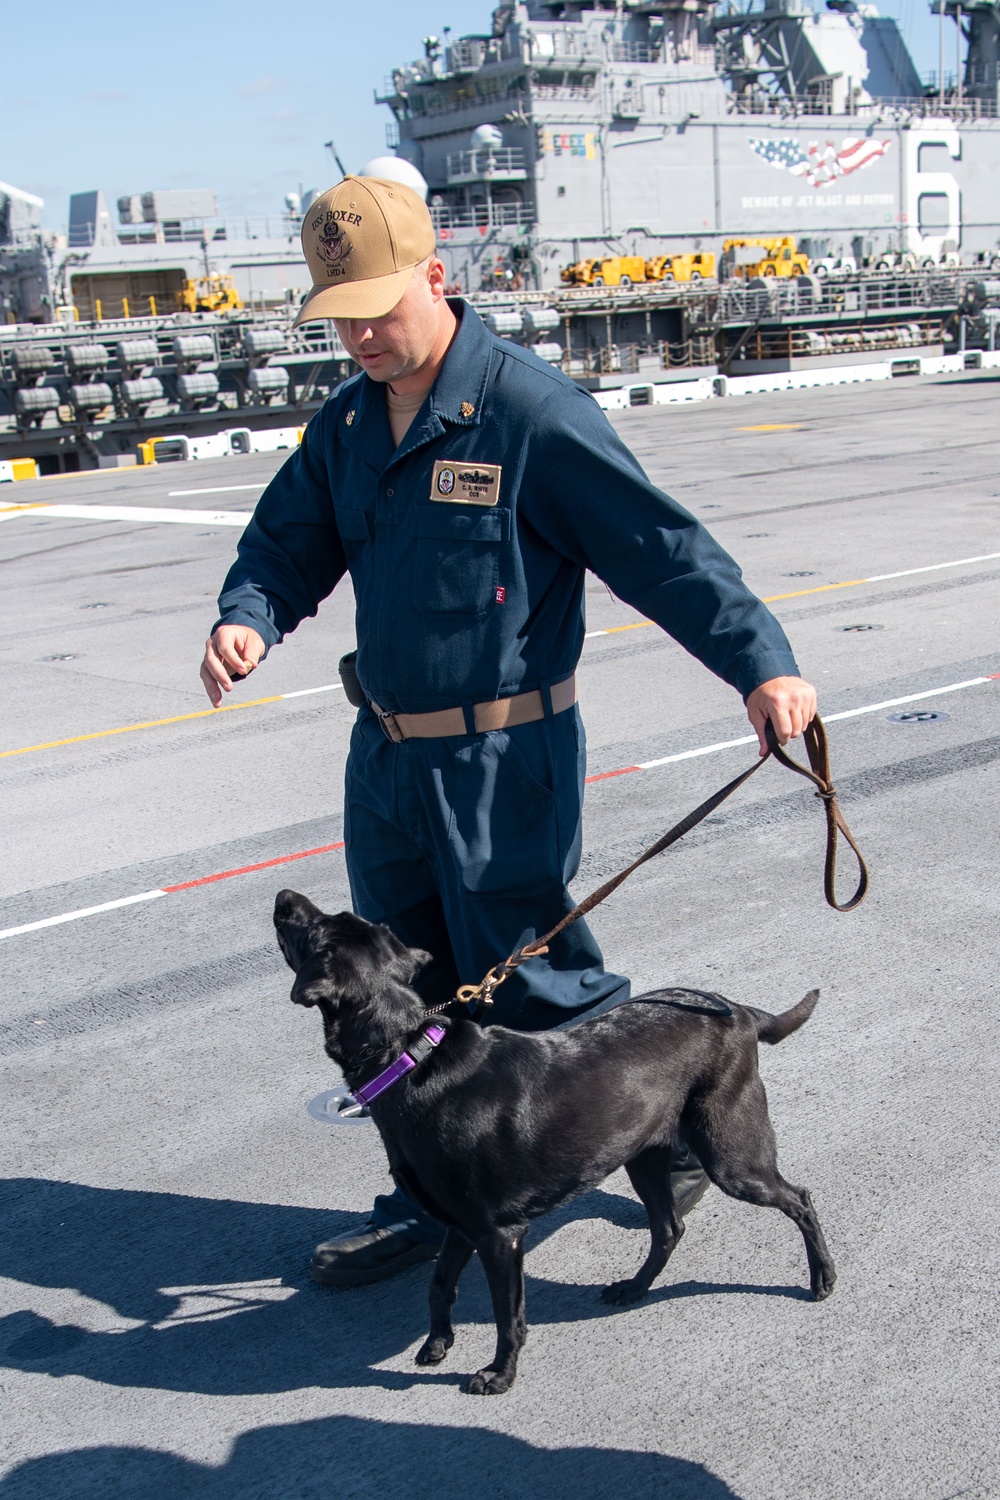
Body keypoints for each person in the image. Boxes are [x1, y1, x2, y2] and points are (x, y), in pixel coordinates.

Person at [200, 176, 818, 1288]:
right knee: (399, 997)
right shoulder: (349, 424)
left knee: (535, 988)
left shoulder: (529, 413)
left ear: (436, 278)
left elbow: (662, 553)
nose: (359, 336)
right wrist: (248, 616)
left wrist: (761, 662)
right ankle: (431, 1193)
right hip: (387, 758)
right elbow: (287, 540)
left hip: (500, 758)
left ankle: (664, 1133)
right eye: (339, 317)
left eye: (377, 309)